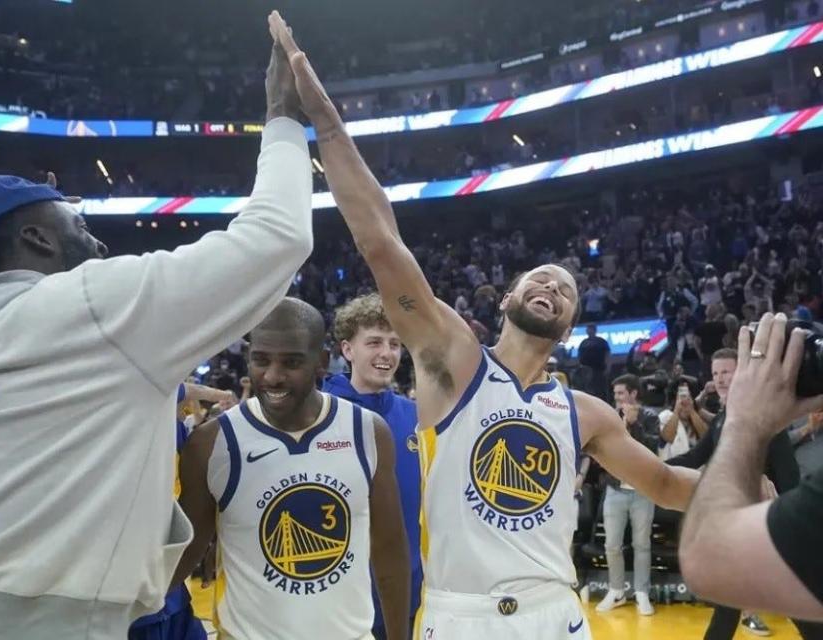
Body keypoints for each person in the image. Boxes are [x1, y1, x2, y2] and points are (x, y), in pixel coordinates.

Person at [0, 15, 315, 638]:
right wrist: (280, 115)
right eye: (77, 227)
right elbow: (277, 237)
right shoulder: (84, 307)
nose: (101, 244)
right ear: (33, 238)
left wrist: (54, 219)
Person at [269, 18, 697, 639]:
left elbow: (663, 482)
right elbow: (380, 239)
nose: (551, 286)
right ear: (506, 300)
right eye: (539, 279)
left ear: (572, 323)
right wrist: (325, 123)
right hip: (461, 616)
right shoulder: (452, 358)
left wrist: (754, 493)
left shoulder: (586, 412)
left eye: (566, 289)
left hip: (557, 616)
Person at [173, 298, 411, 640]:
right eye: (261, 360)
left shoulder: (367, 431)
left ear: (321, 363)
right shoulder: (213, 443)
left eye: (291, 362)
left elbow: (389, 552)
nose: (272, 376)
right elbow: (184, 556)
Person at [669, 346, 823, 638]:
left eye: (726, 371)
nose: (721, 379)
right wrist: (654, 464)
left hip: (770, 523)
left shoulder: (762, 420)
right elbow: (696, 456)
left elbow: (787, 472)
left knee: (793, 610)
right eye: (716, 374)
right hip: (743, 525)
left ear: (742, 374)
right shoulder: (723, 417)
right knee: (729, 608)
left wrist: (790, 521)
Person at [323, 293, 421, 638]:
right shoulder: (318, 414)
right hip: (337, 597)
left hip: (408, 593)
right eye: (374, 342)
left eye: (395, 344)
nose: (387, 353)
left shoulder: (416, 416)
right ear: (348, 350)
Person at [130, 383, 238, 640]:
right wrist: (222, 396)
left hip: (167, 585)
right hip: (130, 591)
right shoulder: (138, 401)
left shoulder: (174, 430)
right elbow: (178, 389)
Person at [596, 375, 660, 616]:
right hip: (615, 489)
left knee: (641, 544)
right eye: (616, 394)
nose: (617, 398)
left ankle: (641, 592)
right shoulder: (611, 418)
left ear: (634, 394)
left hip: (643, 490)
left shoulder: (651, 417)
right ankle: (616, 590)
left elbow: (652, 449)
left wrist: (634, 425)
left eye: (621, 393)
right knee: (611, 544)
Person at [576, 324, 611, 400]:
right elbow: (579, 355)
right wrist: (579, 366)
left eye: (590, 329)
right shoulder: (584, 342)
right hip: (586, 370)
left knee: (599, 389)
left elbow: (607, 354)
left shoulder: (601, 341)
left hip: (599, 369)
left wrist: (608, 367)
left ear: (594, 330)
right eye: (588, 329)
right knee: (588, 389)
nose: (589, 331)